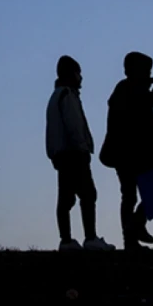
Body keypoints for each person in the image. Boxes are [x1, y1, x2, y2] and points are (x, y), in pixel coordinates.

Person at [46, 55, 114, 252]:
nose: (81, 78)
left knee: (66, 198)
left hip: (62, 154)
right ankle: (90, 237)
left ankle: (66, 240)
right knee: (88, 194)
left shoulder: (56, 96)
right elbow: (74, 126)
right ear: (71, 74)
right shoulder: (67, 95)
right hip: (73, 153)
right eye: (78, 73)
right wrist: (83, 147)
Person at [100, 52, 153, 250]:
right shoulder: (127, 90)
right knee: (137, 195)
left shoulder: (130, 89)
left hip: (133, 153)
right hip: (130, 154)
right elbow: (135, 119)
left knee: (141, 195)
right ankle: (132, 234)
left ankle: (133, 230)